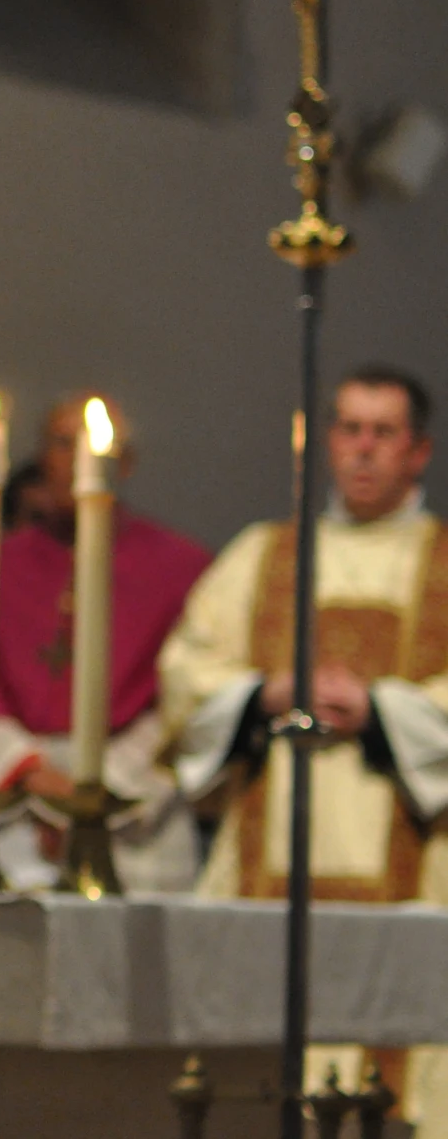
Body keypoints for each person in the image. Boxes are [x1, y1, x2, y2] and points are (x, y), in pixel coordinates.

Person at [162, 365, 448, 1129]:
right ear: (326, 441)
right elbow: (185, 675)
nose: (361, 450)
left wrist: (381, 708)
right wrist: (264, 694)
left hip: (413, 860)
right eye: (348, 429)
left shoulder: (443, 558)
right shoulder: (263, 554)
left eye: (382, 433)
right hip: (270, 845)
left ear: (418, 451)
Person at [0, 394, 211, 891]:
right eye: (62, 444)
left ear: (124, 464)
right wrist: (35, 778)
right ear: (41, 458)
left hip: (131, 807)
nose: (76, 460)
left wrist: (95, 790)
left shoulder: (180, 567)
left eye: (93, 446)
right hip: (13, 804)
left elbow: (187, 701)